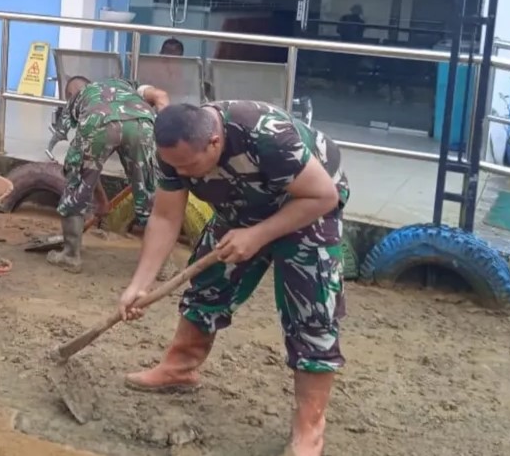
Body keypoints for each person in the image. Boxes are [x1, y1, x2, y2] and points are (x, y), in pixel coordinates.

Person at [118, 101, 350, 456]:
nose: (183, 174)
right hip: (243, 204)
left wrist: (258, 235)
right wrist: (140, 285)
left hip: (308, 205)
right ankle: (179, 369)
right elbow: (165, 216)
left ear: (213, 142)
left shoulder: (267, 135)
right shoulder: (172, 148)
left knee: (311, 314)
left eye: (189, 167)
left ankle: (310, 426)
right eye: (175, 166)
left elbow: (323, 195)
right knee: (209, 282)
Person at [48, 75, 170, 273]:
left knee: (76, 184)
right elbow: (160, 96)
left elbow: (84, 171)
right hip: (142, 123)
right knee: (150, 192)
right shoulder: (127, 84)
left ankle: (70, 256)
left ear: (70, 94)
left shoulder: (78, 99)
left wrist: (93, 195)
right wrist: (165, 132)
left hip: (98, 122)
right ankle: (161, 266)